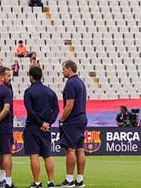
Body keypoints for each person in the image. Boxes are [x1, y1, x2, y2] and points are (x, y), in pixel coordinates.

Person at [23, 65, 59, 188]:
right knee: (47, 155)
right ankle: (51, 181)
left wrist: (40, 123)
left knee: (34, 155)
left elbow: (30, 111)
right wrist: (49, 123)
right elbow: (56, 109)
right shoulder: (50, 92)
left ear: (31, 77)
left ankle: (37, 183)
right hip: (46, 128)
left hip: (33, 127)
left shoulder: (28, 92)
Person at [59, 60, 88, 188]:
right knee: (80, 149)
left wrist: (62, 119)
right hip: (82, 117)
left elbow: (69, 104)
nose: (62, 71)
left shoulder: (70, 83)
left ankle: (69, 179)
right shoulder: (81, 82)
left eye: (64, 69)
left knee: (70, 149)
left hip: (73, 119)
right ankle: (80, 179)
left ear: (69, 69)